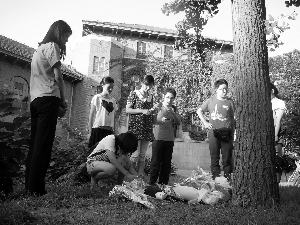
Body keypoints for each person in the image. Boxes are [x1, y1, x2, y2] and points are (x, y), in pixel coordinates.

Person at [25, 20, 72, 195]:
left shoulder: (38, 50)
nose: (66, 41)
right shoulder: (52, 46)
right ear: (59, 33)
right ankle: (37, 190)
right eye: (66, 37)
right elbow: (58, 77)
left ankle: (30, 187)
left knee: (35, 144)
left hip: (35, 100)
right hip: (48, 98)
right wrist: (62, 100)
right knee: (43, 145)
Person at [196, 79, 235, 180]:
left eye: (226, 89)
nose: (225, 91)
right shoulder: (210, 101)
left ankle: (227, 183)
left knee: (227, 160)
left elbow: (233, 119)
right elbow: (199, 111)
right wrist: (205, 123)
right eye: (222, 89)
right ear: (216, 90)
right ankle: (216, 181)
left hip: (227, 134)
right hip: (213, 133)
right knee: (214, 159)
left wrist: (234, 133)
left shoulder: (230, 102)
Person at [149, 87, 181, 185]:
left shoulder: (174, 109)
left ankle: (163, 184)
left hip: (169, 139)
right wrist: (160, 120)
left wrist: (173, 113)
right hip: (158, 138)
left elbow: (178, 122)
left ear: (174, 99)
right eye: (167, 97)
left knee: (166, 163)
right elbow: (151, 119)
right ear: (163, 97)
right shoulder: (158, 106)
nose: (169, 100)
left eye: (171, 98)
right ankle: (152, 183)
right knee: (155, 162)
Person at [126, 75, 155, 177]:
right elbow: (128, 110)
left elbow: (149, 111)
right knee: (135, 154)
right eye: (147, 85)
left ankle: (140, 177)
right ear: (142, 83)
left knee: (142, 155)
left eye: (150, 86)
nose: (148, 88)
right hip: (136, 129)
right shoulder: (134, 93)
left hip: (146, 128)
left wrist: (153, 112)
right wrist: (142, 111)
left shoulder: (151, 97)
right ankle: (129, 177)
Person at [87, 76, 117, 148]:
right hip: (98, 130)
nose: (111, 89)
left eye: (112, 87)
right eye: (109, 87)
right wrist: (90, 132)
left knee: (106, 155)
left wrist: (114, 132)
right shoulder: (97, 97)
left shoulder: (113, 101)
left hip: (109, 132)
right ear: (103, 85)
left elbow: (114, 117)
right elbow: (91, 115)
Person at [271, 83, 286, 182]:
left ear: (272, 91)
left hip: (277, 134)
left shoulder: (279, 103)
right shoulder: (266, 103)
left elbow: (278, 120)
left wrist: (275, 135)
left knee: (277, 159)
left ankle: (277, 184)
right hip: (267, 134)